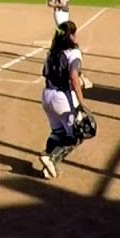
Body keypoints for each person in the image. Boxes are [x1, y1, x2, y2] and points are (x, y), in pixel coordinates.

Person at [38, 21, 92, 179]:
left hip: (47, 95)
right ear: (71, 36)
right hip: (62, 98)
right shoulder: (73, 53)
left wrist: (80, 76)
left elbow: (47, 72)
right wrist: (82, 104)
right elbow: (73, 77)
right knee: (77, 135)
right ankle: (51, 158)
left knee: (57, 132)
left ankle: (47, 165)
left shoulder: (52, 52)